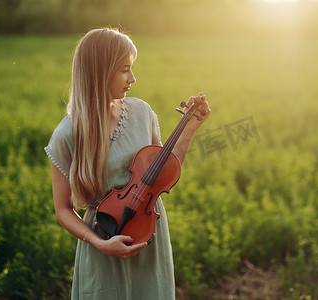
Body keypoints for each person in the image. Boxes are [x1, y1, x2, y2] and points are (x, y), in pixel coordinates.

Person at [44, 27, 210, 299]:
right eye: (124, 69)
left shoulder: (142, 112)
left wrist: (189, 128)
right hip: (105, 239)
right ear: (99, 72)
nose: (133, 78)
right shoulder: (66, 135)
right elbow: (63, 209)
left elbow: (161, 177)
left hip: (149, 237)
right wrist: (100, 243)